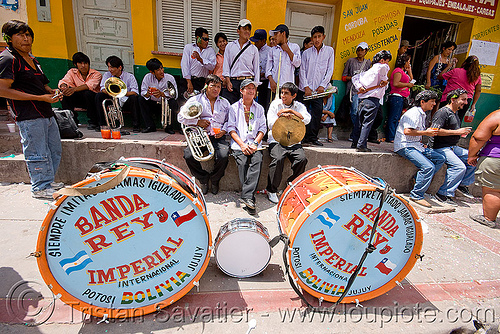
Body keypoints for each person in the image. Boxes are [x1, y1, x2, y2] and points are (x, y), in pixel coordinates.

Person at [0, 20, 62, 199]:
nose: (26, 39)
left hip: (45, 111)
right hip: (28, 114)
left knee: (53, 149)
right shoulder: (8, 59)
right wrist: (39, 98)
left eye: (28, 35)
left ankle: (48, 181)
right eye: (20, 35)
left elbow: (42, 84)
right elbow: (3, 90)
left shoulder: (32, 58)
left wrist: (52, 92)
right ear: (9, 39)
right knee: (36, 151)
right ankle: (40, 186)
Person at [178, 74, 230, 195]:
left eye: (218, 86)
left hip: (218, 136)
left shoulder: (225, 102)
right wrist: (197, 122)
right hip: (200, 135)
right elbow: (180, 117)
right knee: (188, 155)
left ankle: (215, 179)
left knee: (224, 155)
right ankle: (203, 179)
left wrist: (224, 130)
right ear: (206, 86)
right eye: (213, 86)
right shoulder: (195, 100)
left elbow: (230, 121)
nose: (216, 89)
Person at [394, 90, 445, 208]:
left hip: (417, 146)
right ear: (423, 102)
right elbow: (407, 131)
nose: (433, 105)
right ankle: (416, 194)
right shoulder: (413, 113)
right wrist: (426, 133)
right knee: (428, 167)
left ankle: (418, 180)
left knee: (439, 158)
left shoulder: (422, 113)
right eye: (432, 102)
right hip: (405, 146)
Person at [266, 82, 311, 204]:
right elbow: (270, 123)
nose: (283, 95)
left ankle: (291, 183)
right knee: (278, 159)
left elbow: (307, 119)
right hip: (277, 140)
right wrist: (281, 116)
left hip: (294, 141)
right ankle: (271, 190)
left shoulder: (299, 106)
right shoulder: (275, 104)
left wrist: (292, 112)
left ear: (294, 95)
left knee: (301, 159)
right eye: (282, 92)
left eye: (286, 93)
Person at [227, 79, 267, 215]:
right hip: (240, 145)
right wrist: (243, 145)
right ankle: (250, 198)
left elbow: (263, 128)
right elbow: (231, 129)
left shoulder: (259, 108)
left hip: (255, 144)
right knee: (242, 162)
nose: (251, 90)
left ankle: (246, 197)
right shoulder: (233, 108)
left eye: (253, 88)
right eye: (248, 88)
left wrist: (255, 143)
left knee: (257, 161)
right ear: (241, 90)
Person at [430, 89, 475, 206]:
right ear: (453, 99)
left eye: (466, 99)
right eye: (463, 99)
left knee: (473, 158)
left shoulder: (454, 113)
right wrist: (456, 132)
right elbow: (435, 131)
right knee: (459, 167)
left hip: (452, 147)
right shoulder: (443, 112)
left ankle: (462, 184)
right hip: (439, 147)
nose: (466, 102)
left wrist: (459, 133)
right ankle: (443, 193)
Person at [299, 25, 334, 146]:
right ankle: (301, 137)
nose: (317, 39)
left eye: (319, 36)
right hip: (306, 90)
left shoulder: (329, 51)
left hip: (319, 91)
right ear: (311, 38)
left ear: (323, 37)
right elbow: (302, 70)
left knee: (317, 113)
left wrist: (322, 86)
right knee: (302, 113)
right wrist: (306, 87)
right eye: (314, 37)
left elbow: (330, 70)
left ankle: (312, 137)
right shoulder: (306, 53)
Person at [351, 50, 392, 152]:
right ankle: (361, 145)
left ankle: (355, 142)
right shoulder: (382, 67)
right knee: (367, 123)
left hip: (363, 99)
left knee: (359, 122)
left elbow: (354, 78)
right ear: (382, 60)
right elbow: (384, 70)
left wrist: (359, 87)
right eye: (387, 61)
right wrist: (385, 80)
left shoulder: (367, 72)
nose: (387, 64)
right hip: (373, 99)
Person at [467, 109, 500, 228]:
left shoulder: (497, 115)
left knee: (493, 190)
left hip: (495, 159)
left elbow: (479, 137)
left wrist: (472, 155)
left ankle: (489, 218)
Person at [95, 55, 140, 133]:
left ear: (120, 67)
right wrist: (112, 93)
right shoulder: (107, 75)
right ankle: (102, 124)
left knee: (133, 98)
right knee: (99, 96)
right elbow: (102, 88)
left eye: (112, 67)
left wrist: (122, 93)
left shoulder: (129, 76)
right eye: (108, 67)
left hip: (125, 100)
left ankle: (136, 125)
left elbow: (135, 92)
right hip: (111, 99)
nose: (110, 69)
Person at [58, 52, 102, 128]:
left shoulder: (96, 74)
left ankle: (93, 121)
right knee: (66, 95)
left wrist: (74, 89)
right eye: (80, 63)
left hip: (92, 100)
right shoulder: (72, 72)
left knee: (87, 93)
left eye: (85, 63)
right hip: (80, 99)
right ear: (75, 64)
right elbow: (64, 81)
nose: (83, 66)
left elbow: (89, 86)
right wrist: (64, 87)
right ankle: (72, 120)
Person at [222, 19, 260, 104]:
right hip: (232, 82)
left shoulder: (254, 49)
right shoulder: (230, 46)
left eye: (249, 29)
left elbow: (256, 69)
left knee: (245, 109)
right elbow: (226, 65)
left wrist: (255, 88)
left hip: (248, 82)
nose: (247, 31)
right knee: (229, 108)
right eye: (244, 29)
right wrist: (228, 80)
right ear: (238, 31)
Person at [138, 58, 178, 134]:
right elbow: (143, 92)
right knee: (141, 99)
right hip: (152, 103)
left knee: (173, 102)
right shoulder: (147, 77)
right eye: (158, 70)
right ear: (152, 72)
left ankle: (169, 127)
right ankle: (150, 126)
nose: (162, 71)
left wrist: (162, 94)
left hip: (165, 104)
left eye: (162, 68)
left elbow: (175, 95)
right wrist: (148, 93)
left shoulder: (170, 78)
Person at [342, 42, 371, 141]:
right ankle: (356, 133)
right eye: (358, 50)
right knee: (354, 112)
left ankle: (357, 134)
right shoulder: (351, 61)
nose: (360, 52)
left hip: (363, 92)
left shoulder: (367, 63)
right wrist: (354, 78)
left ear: (366, 51)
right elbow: (344, 77)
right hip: (353, 91)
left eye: (362, 50)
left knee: (362, 113)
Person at [438, 55, 481, 122]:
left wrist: (449, 66)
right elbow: (478, 91)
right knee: (458, 120)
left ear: (465, 63)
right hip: (465, 100)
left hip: (450, 98)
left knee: (442, 120)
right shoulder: (477, 76)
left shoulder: (456, 71)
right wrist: (473, 104)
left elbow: (440, 76)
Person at [266, 24, 301, 104]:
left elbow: (297, 63)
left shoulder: (294, 47)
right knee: (272, 111)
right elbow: (268, 69)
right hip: (274, 87)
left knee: (286, 112)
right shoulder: (272, 50)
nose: (274, 37)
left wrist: (287, 50)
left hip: (288, 87)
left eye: (276, 34)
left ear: (283, 33)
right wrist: (271, 81)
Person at [385, 54, 414, 143]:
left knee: (397, 117)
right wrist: (407, 85)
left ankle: (393, 136)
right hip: (396, 96)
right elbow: (396, 83)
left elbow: (411, 80)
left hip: (401, 97)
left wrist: (409, 71)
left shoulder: (403, 72)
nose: (409, 64)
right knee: (393, 117)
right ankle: (390, 137)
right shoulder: (398, 71)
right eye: (408, 62)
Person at [180, 27, 216, 96]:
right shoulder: (189, 48)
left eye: (208, 39)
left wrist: (201, 60)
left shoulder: (210, 50)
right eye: (205, 39)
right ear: (198, 38)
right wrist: (189, 82)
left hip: (202, 82)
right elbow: (185, 65)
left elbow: (212, 66)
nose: (207, 41)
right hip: (190, 80)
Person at [250, 29, 270, 112]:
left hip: (264, 83)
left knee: (263, 104)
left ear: (263, 41)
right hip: (254, 80)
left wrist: (263, 74)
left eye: (257, 41)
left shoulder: (269, 51)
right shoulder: (253, 50)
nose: (255, 43)